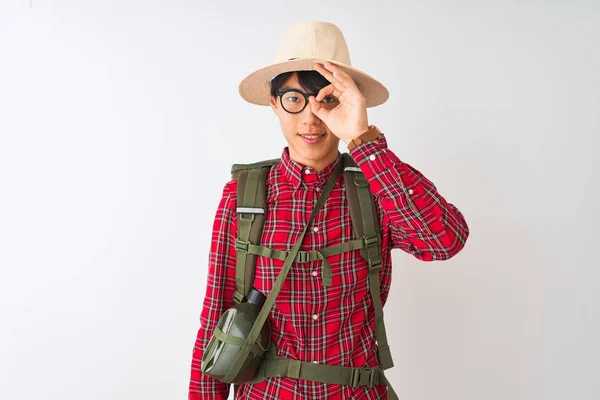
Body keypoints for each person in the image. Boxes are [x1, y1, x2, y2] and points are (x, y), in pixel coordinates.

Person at [188, 21, 470, 400]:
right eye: (293, 99)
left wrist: (362, 139)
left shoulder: (376, 185)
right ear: (274, 103)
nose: (310, 118)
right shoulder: (244, 195)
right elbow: (214, 322)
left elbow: (444, 241)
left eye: (328, 99)